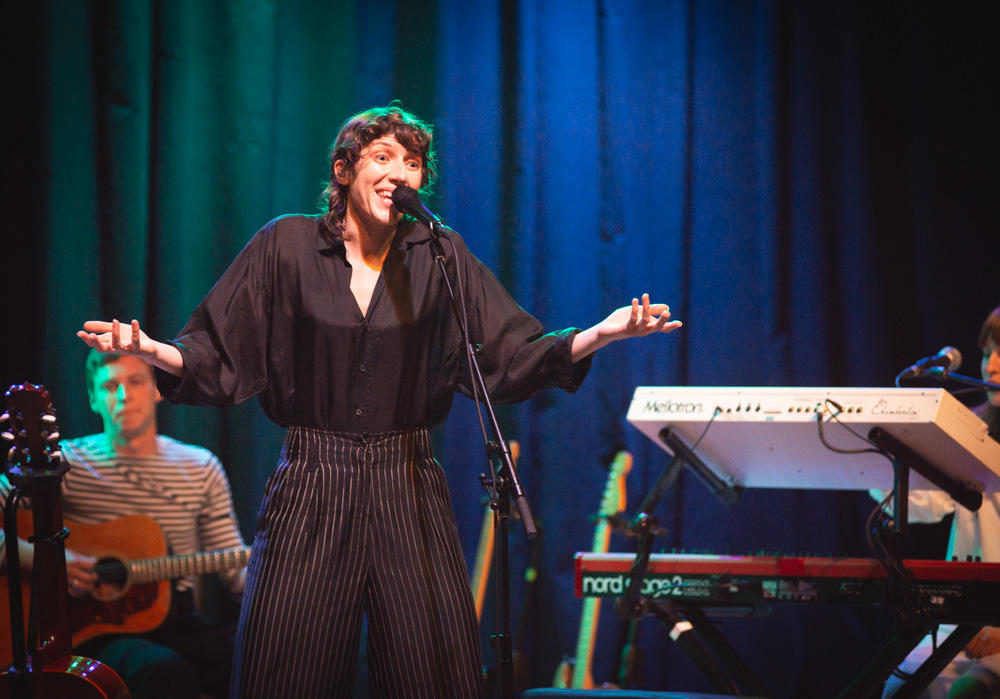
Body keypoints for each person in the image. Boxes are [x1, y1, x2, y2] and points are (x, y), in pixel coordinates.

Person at [76, 103, 683, 699]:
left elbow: (509, 352)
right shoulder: (286, 246)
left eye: (413, 162)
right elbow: (219, 350)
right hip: (313, 481)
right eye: (383, 156)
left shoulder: (438, 255)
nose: (400, 172)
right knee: (284, 671)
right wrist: (156, 351)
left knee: (432, 670)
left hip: (408, 482)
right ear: (345, 171)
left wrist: (600, 333)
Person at [0, 349, 247, 699]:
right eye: (110, 386)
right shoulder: (63, 464)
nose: (123, 395)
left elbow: (232, 565)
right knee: (161, 668)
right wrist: (48, 562)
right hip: (98, 629)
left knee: (265, 645)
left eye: (136, 382)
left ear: (158, 389)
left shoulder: (200, 466)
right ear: (92, 398)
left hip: (180, 621)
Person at [876, 304, 1000, 699]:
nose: (990, 367)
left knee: (970, 692)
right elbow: (925, 504)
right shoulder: (972, 432)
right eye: (986, 353)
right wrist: (883, 460)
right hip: (964, 615)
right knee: (899, 686)